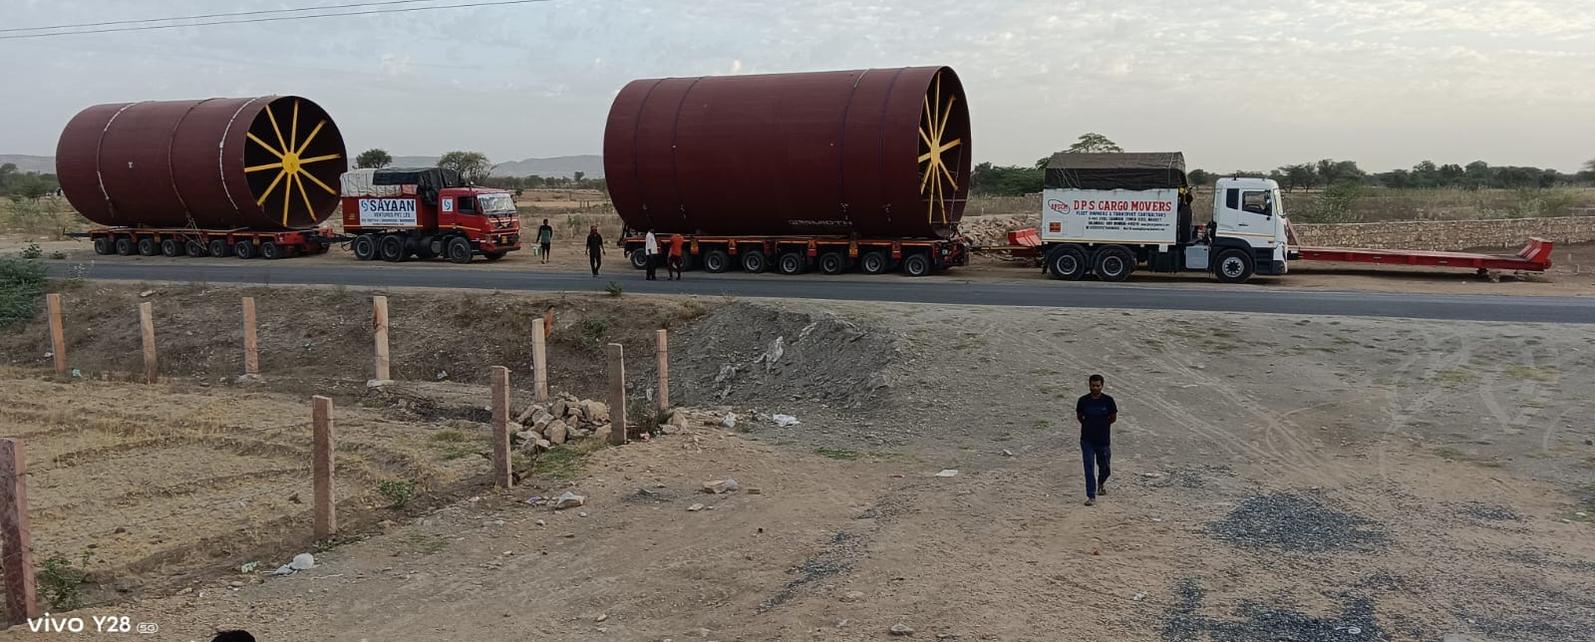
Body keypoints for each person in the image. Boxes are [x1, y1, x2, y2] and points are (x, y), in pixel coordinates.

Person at [1076, 374, 1117, 506]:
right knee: (1089, 467)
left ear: (1102, 385)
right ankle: (1091, 496)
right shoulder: (1083, 401)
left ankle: (1101, 482)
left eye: (1098, 386)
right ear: (1089, 385)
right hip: (1087, 439)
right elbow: (1079, 416)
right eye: (1093, 385)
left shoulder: (1108, 401)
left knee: (1105, 466)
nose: (1095, 388)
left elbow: (1113, 417)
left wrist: (1102, 426)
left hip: (1103, 440)